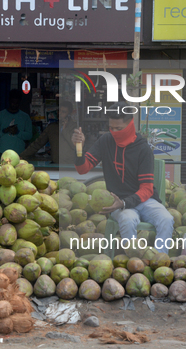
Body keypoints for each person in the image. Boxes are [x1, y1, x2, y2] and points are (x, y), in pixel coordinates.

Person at [71, 101, 174, 256]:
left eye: (118, 128)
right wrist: (79, 148)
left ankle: (160, 259)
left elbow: (146, 189)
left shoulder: (143, 149)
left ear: (130, 124)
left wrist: (125, 202)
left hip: (143, 200)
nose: (114, 132)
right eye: (111, 128)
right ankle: (133, 264)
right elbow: (82, 169)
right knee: (127, 218)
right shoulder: (106, 141)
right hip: (118, 202)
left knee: (167, 219)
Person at [0, 89, 32, 155]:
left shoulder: (25, 117)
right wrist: (4, 131)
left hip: (19, 153)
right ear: (9, 101)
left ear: (20, 102)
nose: (14, 105)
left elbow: (29, 135)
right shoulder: (0, 115)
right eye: (12, 102)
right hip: (3, 152)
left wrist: (17, 132)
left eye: (16, 103)